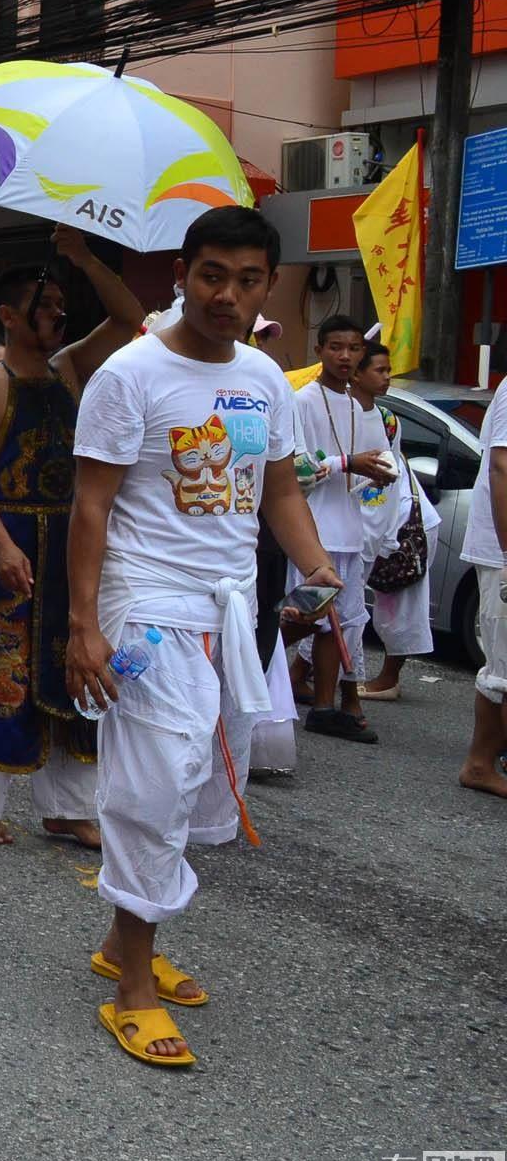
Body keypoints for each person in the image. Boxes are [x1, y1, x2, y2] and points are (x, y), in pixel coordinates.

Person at [68, 205, 339, 1066]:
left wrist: (318, 565)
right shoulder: (130, 374)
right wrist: (82, 625)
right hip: (146, 605)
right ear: (181, 274)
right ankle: (133, 986)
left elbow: (280, 491)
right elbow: (92, 504)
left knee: (192, 784)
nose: (227, 293)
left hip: (228, 608)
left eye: (248, 278)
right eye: (212, 274)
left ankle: (124, 940)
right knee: (155, 784)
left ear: (268, 285)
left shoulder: (264, 379)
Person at [0, 226, 147, 848]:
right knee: (0, 664)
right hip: (3, 534)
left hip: (66, 537)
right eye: (46, 306)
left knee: (71, 662)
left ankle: (65, 805)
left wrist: (82, 257)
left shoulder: (70, 369)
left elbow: (129, 316)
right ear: (8, 316)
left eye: (62, 306)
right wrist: (2, 545)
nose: (59, 315)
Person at [286, 315, 396, 744]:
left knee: (341, 623)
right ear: (320, 351)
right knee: (303, 617)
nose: (345, 356)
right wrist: (348, 462)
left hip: (349, 528)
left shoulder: (359, 406)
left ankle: (325, 707)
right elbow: (294, 470)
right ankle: (255, 669)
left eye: (353, 348)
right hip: (311, 530)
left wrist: (377, 475)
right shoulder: (302, 402)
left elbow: (377, 462)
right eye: (335, 347)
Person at [354, 342, 438, 700]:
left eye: (389, 370)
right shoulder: (337, 411)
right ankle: (305, 672)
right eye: (380, 370)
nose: (387, 378)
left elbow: (388, 479)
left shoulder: (387, 420)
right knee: (342, 603)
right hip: (372, 521)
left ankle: (387, 680)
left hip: (401, 522)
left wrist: (382, 537)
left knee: (397, 606)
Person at [455, 373, 507, 799]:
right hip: (501, 550)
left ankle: (481, 762)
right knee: (504, 666)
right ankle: (480, 764)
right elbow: (501, 465)